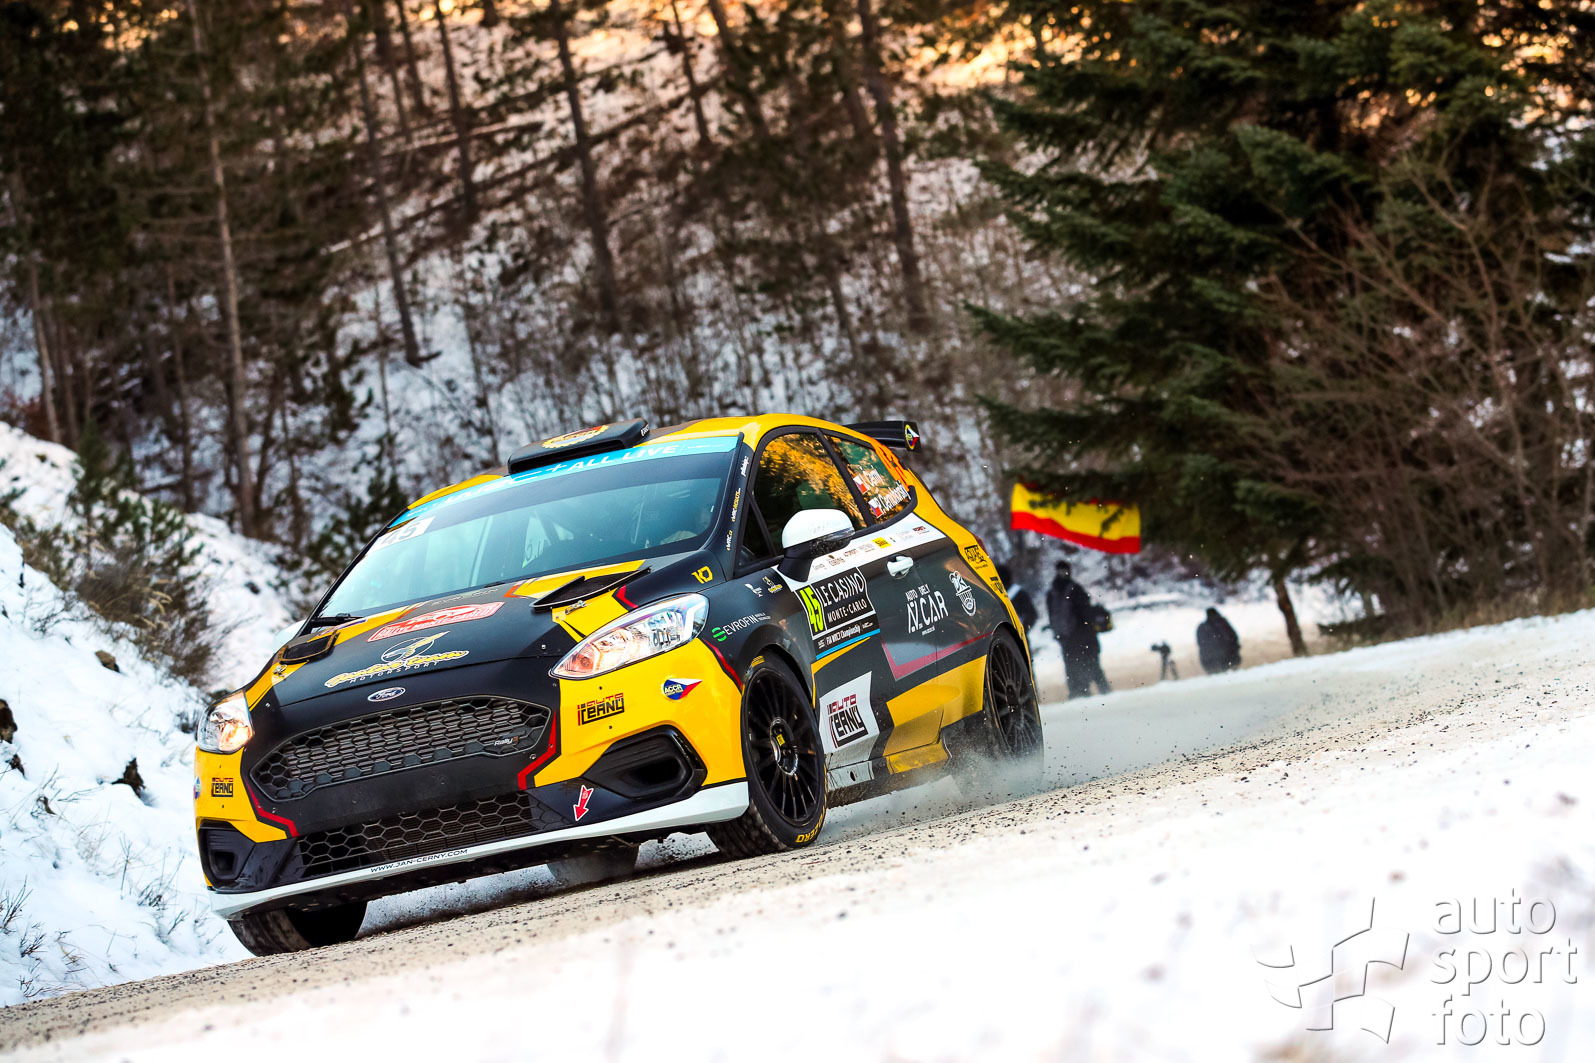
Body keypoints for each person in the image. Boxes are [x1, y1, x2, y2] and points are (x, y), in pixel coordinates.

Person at [1045, 559, 1111, 698]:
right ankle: (1105, 692)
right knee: (1093, 665)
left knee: (1072, 668)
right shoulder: (1074, 589)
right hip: (1082, 636)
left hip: (1065, 638)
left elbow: (1051, 615)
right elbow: (1085, 612)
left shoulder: (1051, 593)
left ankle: (1078, 694)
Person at [995, 562, 1039, 636]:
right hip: (1018, 638)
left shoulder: (993, 596)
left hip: (999, 638)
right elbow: (1032, 615)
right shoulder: (1019, 592)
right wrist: (1022, 630)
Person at [1196, 606, 1242, 674]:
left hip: (1209, 663)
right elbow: (1234, 637)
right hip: (1227, 659)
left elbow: (1200, 644)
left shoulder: (1202, 627)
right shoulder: (1222, 623)